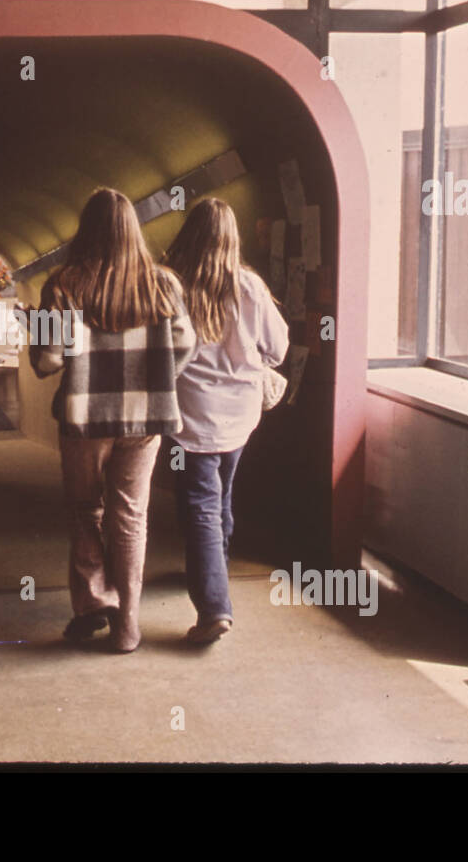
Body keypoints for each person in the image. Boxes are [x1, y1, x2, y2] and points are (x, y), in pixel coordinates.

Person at [30, 188, 195, 653]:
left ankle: (92, 604)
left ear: (86, 229)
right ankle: (129, 626)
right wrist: (154, 375)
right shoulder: (165, 284)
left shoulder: (63, 284)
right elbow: (186, 345)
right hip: (145, 420)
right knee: (131, 517)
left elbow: (46, 360)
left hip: (85, 419)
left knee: (86, 511)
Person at [162, 197, 289, 644]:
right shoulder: (250, 288)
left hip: (190, 417)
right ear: (232, 239)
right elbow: (278, 349)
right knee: (221, 498)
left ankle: (214, 605)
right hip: (239, 416)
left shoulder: (174, 286)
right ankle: (213, 568)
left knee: (198, 507)